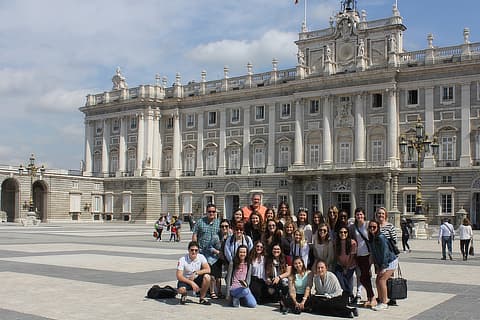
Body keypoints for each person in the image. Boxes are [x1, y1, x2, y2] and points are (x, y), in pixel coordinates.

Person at [368, 220, 398, 311]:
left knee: (382, 280)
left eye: (374, 227)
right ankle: (381, 300)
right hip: (382, 262)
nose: (372, 229)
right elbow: (374, 253)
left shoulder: (380, 237)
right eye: (370, 227)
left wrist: (384, 267)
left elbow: (385, 252)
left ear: (378, 228)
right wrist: (376, 265)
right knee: (377, 281)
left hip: (390, 261)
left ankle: (384, 302)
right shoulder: (372, 238)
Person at [350, 208, 375, 308]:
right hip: (358, 255)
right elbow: (351, 237)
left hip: (367, 255)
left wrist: (372, 256)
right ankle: (370, 297)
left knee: (365, 277)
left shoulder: (368, 225)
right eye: (357, 215)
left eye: (361, 214)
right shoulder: (353, 227)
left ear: (364, 215)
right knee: (363, 277)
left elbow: (373, 238)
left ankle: (372, 297)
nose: (359, 216)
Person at [176, 241, 212, 305]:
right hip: (186, 280)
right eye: (192, 250)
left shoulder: (201, 257)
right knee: (181, 290)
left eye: (196, 250)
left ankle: (202, 298)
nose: (194, 252)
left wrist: (196, 273)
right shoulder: (182, 259)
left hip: (196, 278)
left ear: (198, 251)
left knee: (207, 277)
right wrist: (191, 283)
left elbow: (208, 269)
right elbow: (179, 276)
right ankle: (184, 294)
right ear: (188, 250)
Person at [264, 244, 292, 310]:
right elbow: (267, 273)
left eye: (278, 249)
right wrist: (268, 279)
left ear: (281, 250)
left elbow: (288, 272)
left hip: (283, 279)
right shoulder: (269, 259)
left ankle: (284, 302)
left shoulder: (287, 258)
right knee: (270, 292)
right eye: (274, 249)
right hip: (273, 280)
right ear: (272, 250)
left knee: (284, 283)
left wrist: (279, 277)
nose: (276, 250)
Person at [334, 226, 357, 303]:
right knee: (340, 279)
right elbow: (336, 255)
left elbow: (352, 256)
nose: (343, 234)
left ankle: (349, 295)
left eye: (345, 232)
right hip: (340, 264)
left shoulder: (352, 242)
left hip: (350, 265)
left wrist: (346, 268)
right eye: (341, 232)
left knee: (348, 280)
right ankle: (348, 295)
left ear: (348, 233)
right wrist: (342, 265)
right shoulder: (336, 242)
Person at [249, 240, 268, 304]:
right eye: (257, 246)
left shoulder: (265, 258)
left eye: (261, 247)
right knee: (257, 299)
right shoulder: (251, 258)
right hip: (254, 280)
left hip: (263, 281)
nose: (259, 248)